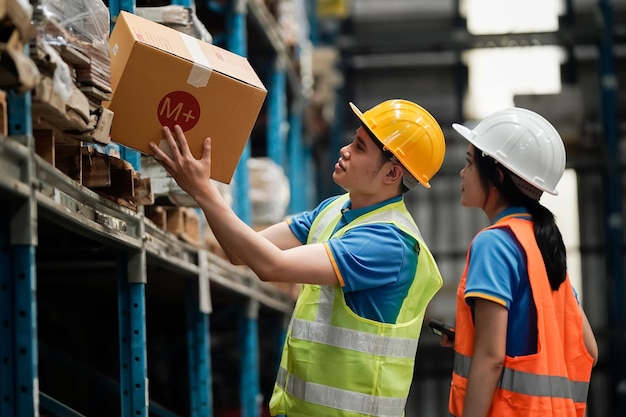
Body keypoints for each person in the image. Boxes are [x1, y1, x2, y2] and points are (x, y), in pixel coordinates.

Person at [149, 99, 447, 417]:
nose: (345, 150)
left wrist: (204, 191)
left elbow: (271, 266)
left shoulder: (388, 243)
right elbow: (240, 253)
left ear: (391, 173)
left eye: (359, 147)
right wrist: (203, 193)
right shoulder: (333, 210)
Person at [442, 107, 599, 417]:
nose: (462, 173)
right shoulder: (543, 243)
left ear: (497, 176)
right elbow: (589, 349)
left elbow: (491, 358)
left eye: (470, 163)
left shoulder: (494, 243)